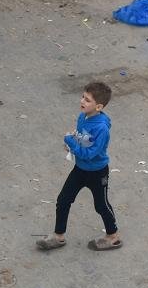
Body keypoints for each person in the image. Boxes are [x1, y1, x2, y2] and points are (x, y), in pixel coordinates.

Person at [37, 81, 121, 252]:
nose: (82, 101)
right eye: (83, 97)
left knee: (101, 205)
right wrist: (73, 142)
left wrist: (69, 142)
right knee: (63, 200)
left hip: (97, 172)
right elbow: (82, 138)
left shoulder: (102, 128)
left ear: (98, 107)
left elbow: (90, 154)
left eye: (88, 100)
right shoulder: (83, 117)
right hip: (80, 169)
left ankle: (113, 236)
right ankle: (58, 236)